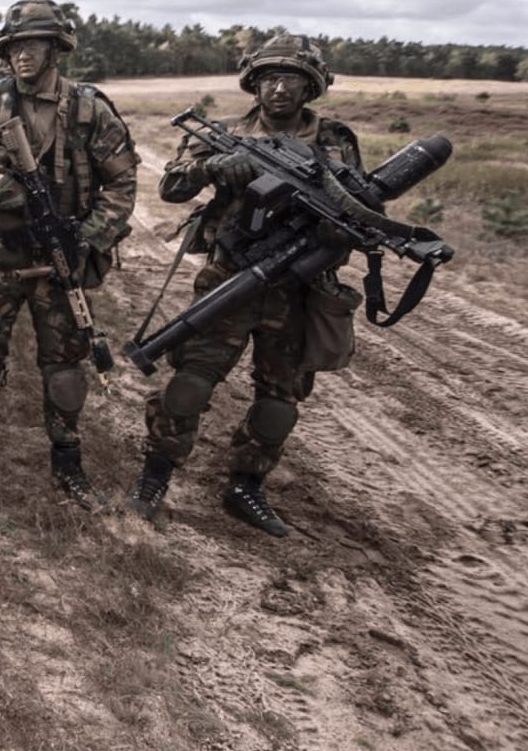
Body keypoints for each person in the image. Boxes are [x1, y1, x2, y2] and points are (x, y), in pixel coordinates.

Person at [127, 34, 362, 537]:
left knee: (280, 400)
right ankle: (155, 478)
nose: (279, 88)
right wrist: (213, 166)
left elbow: (361, 212)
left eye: (292, 79)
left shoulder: (335, 140)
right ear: (254, 84)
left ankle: (245, 487)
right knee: (190, 383)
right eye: (269, 78)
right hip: (231, 275)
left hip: (298, 288)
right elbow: (171, 186)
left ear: (312, 85)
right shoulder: (224, 133)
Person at [0, 0, 139, 505]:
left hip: (63, 254)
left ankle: (67, 462)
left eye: (33, 45)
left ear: (57, 49)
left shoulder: (89, 109)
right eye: (15, 46)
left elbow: (123, 182)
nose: (22, 55)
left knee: (63, 364)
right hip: (2, 253)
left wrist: (89, 237)